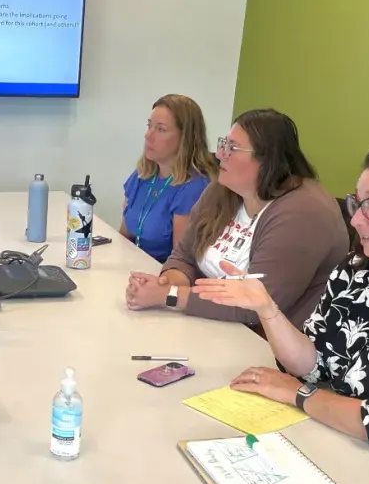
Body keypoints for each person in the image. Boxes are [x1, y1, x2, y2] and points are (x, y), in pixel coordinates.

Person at [192, 146, 369, 455]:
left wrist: (300, 396)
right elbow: (314, 362)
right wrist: (267, 309)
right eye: (357, 203)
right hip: (340, 444)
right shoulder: (357, 271)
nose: (355, 220)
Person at [125, 108, 349, 333]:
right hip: (210, 325)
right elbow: (184, 255)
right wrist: (166, 283)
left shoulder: (303, 213)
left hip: (270, 345)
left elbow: (254, 305)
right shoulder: (223, 187)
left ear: (267, 159)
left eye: (232, 148)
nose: (220, 154)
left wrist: (169, 296)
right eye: (224, 144)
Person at [120, 94, 217, 263]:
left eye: (161, 129)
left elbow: (179, 263)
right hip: (130, 267)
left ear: (185, 138)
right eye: (149, 126)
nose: (148, 135)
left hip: (160, 275)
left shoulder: (194, 188)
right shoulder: (142, 175)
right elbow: (124, 237)